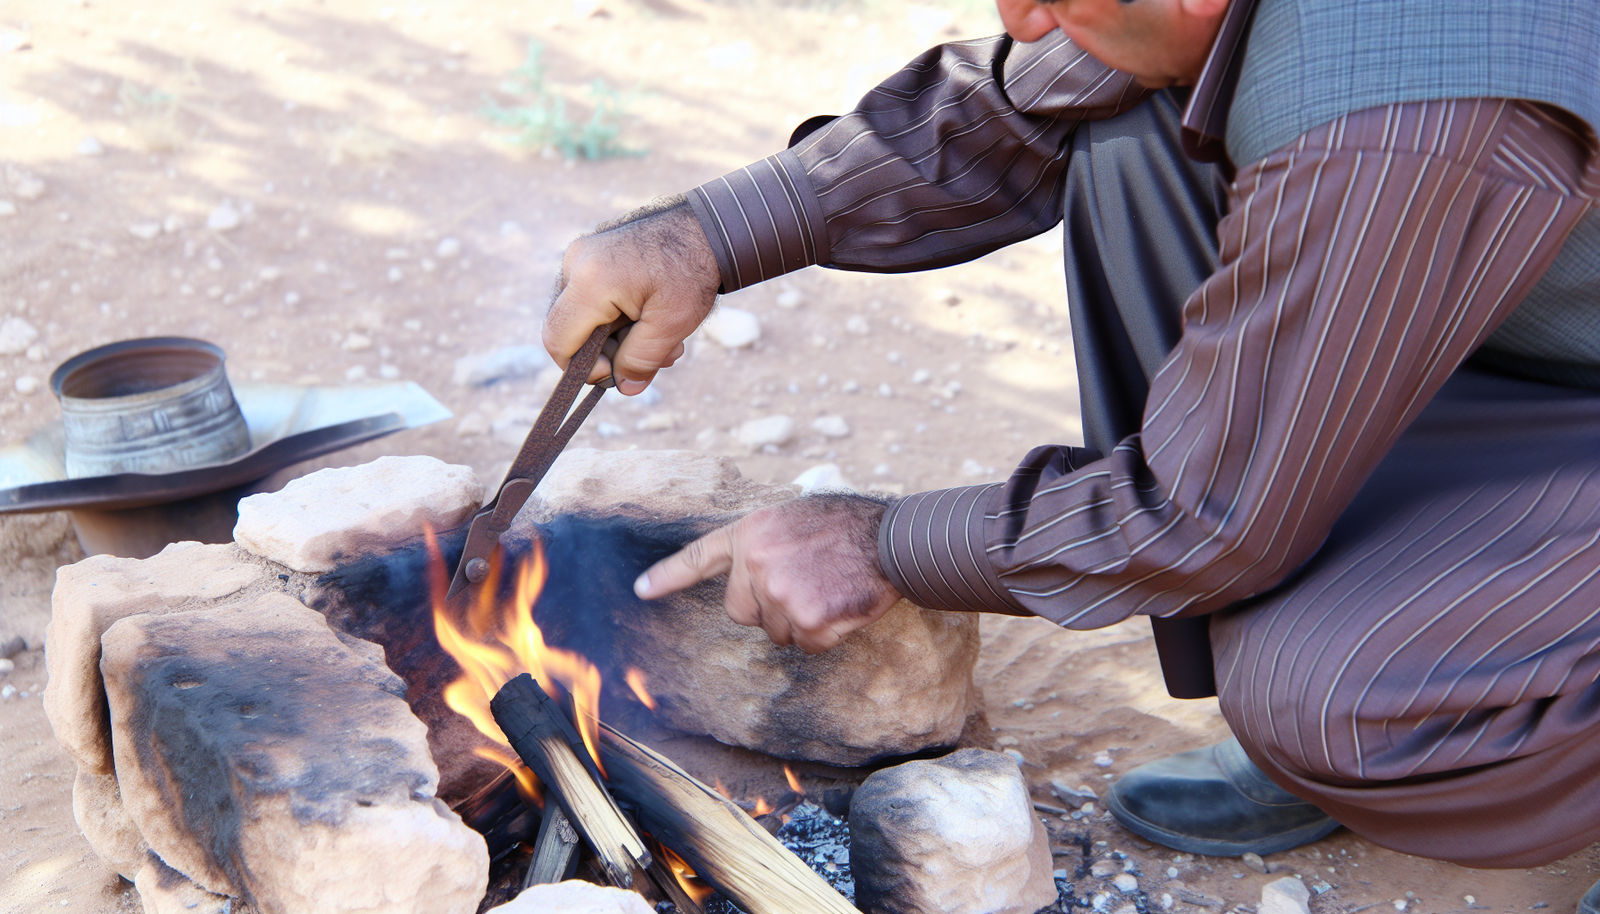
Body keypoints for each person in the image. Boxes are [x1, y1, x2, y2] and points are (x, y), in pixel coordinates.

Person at [543, 0, 1600, 901]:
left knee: (1334, 698)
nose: (1020, 19)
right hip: (1523, 321)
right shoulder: (1192, 20)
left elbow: (1203, 518)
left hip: (1546, 355)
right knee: (1131, 121)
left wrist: (879, 543)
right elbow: (1014, 105)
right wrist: (699, 235)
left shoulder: (1399, 118)